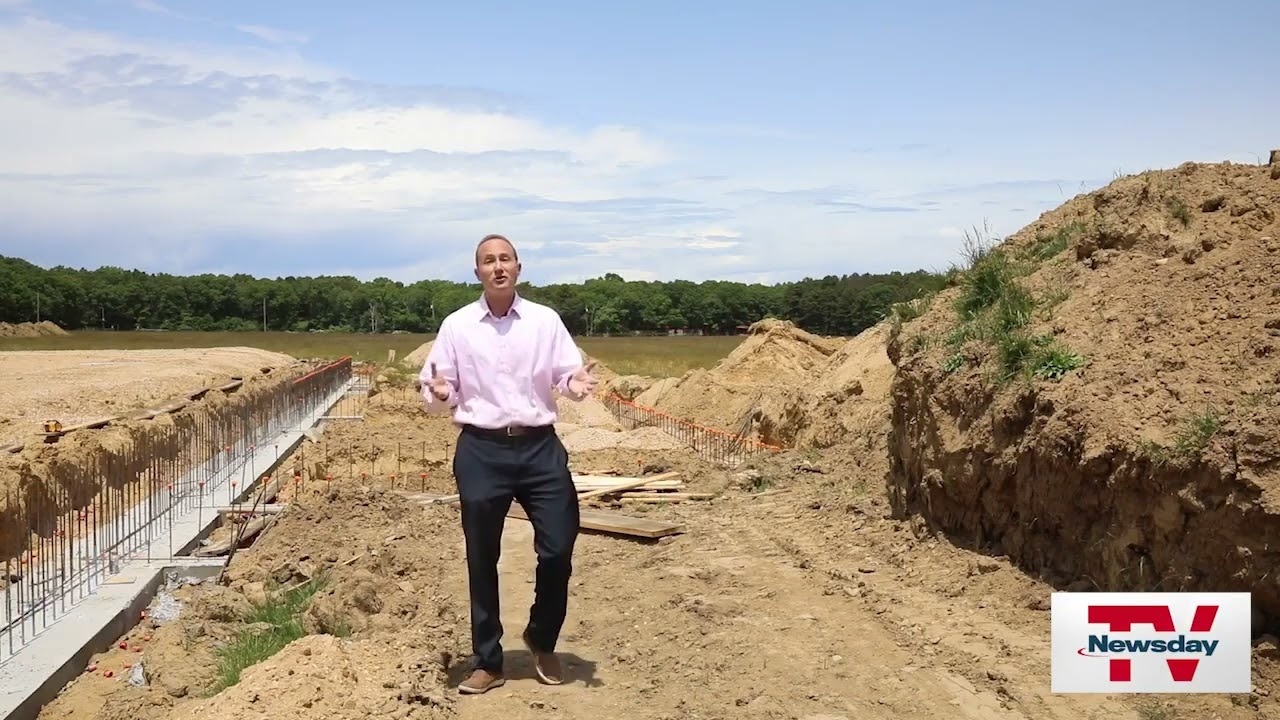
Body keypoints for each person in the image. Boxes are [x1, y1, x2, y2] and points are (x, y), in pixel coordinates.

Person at [420, 233, 598, 695]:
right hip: (481, 449)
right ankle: (489, 660)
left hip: (540, 447)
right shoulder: (457, 326)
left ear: (518, 267)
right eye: (487, 261)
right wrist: (440, 395)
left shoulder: (545, 321)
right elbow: (438, 387)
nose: (497, 267)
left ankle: (542, 637)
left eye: (505, 259)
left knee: (558, 548)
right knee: (482, 555)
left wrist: (575, 385)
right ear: (476, 272)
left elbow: (566, 376)